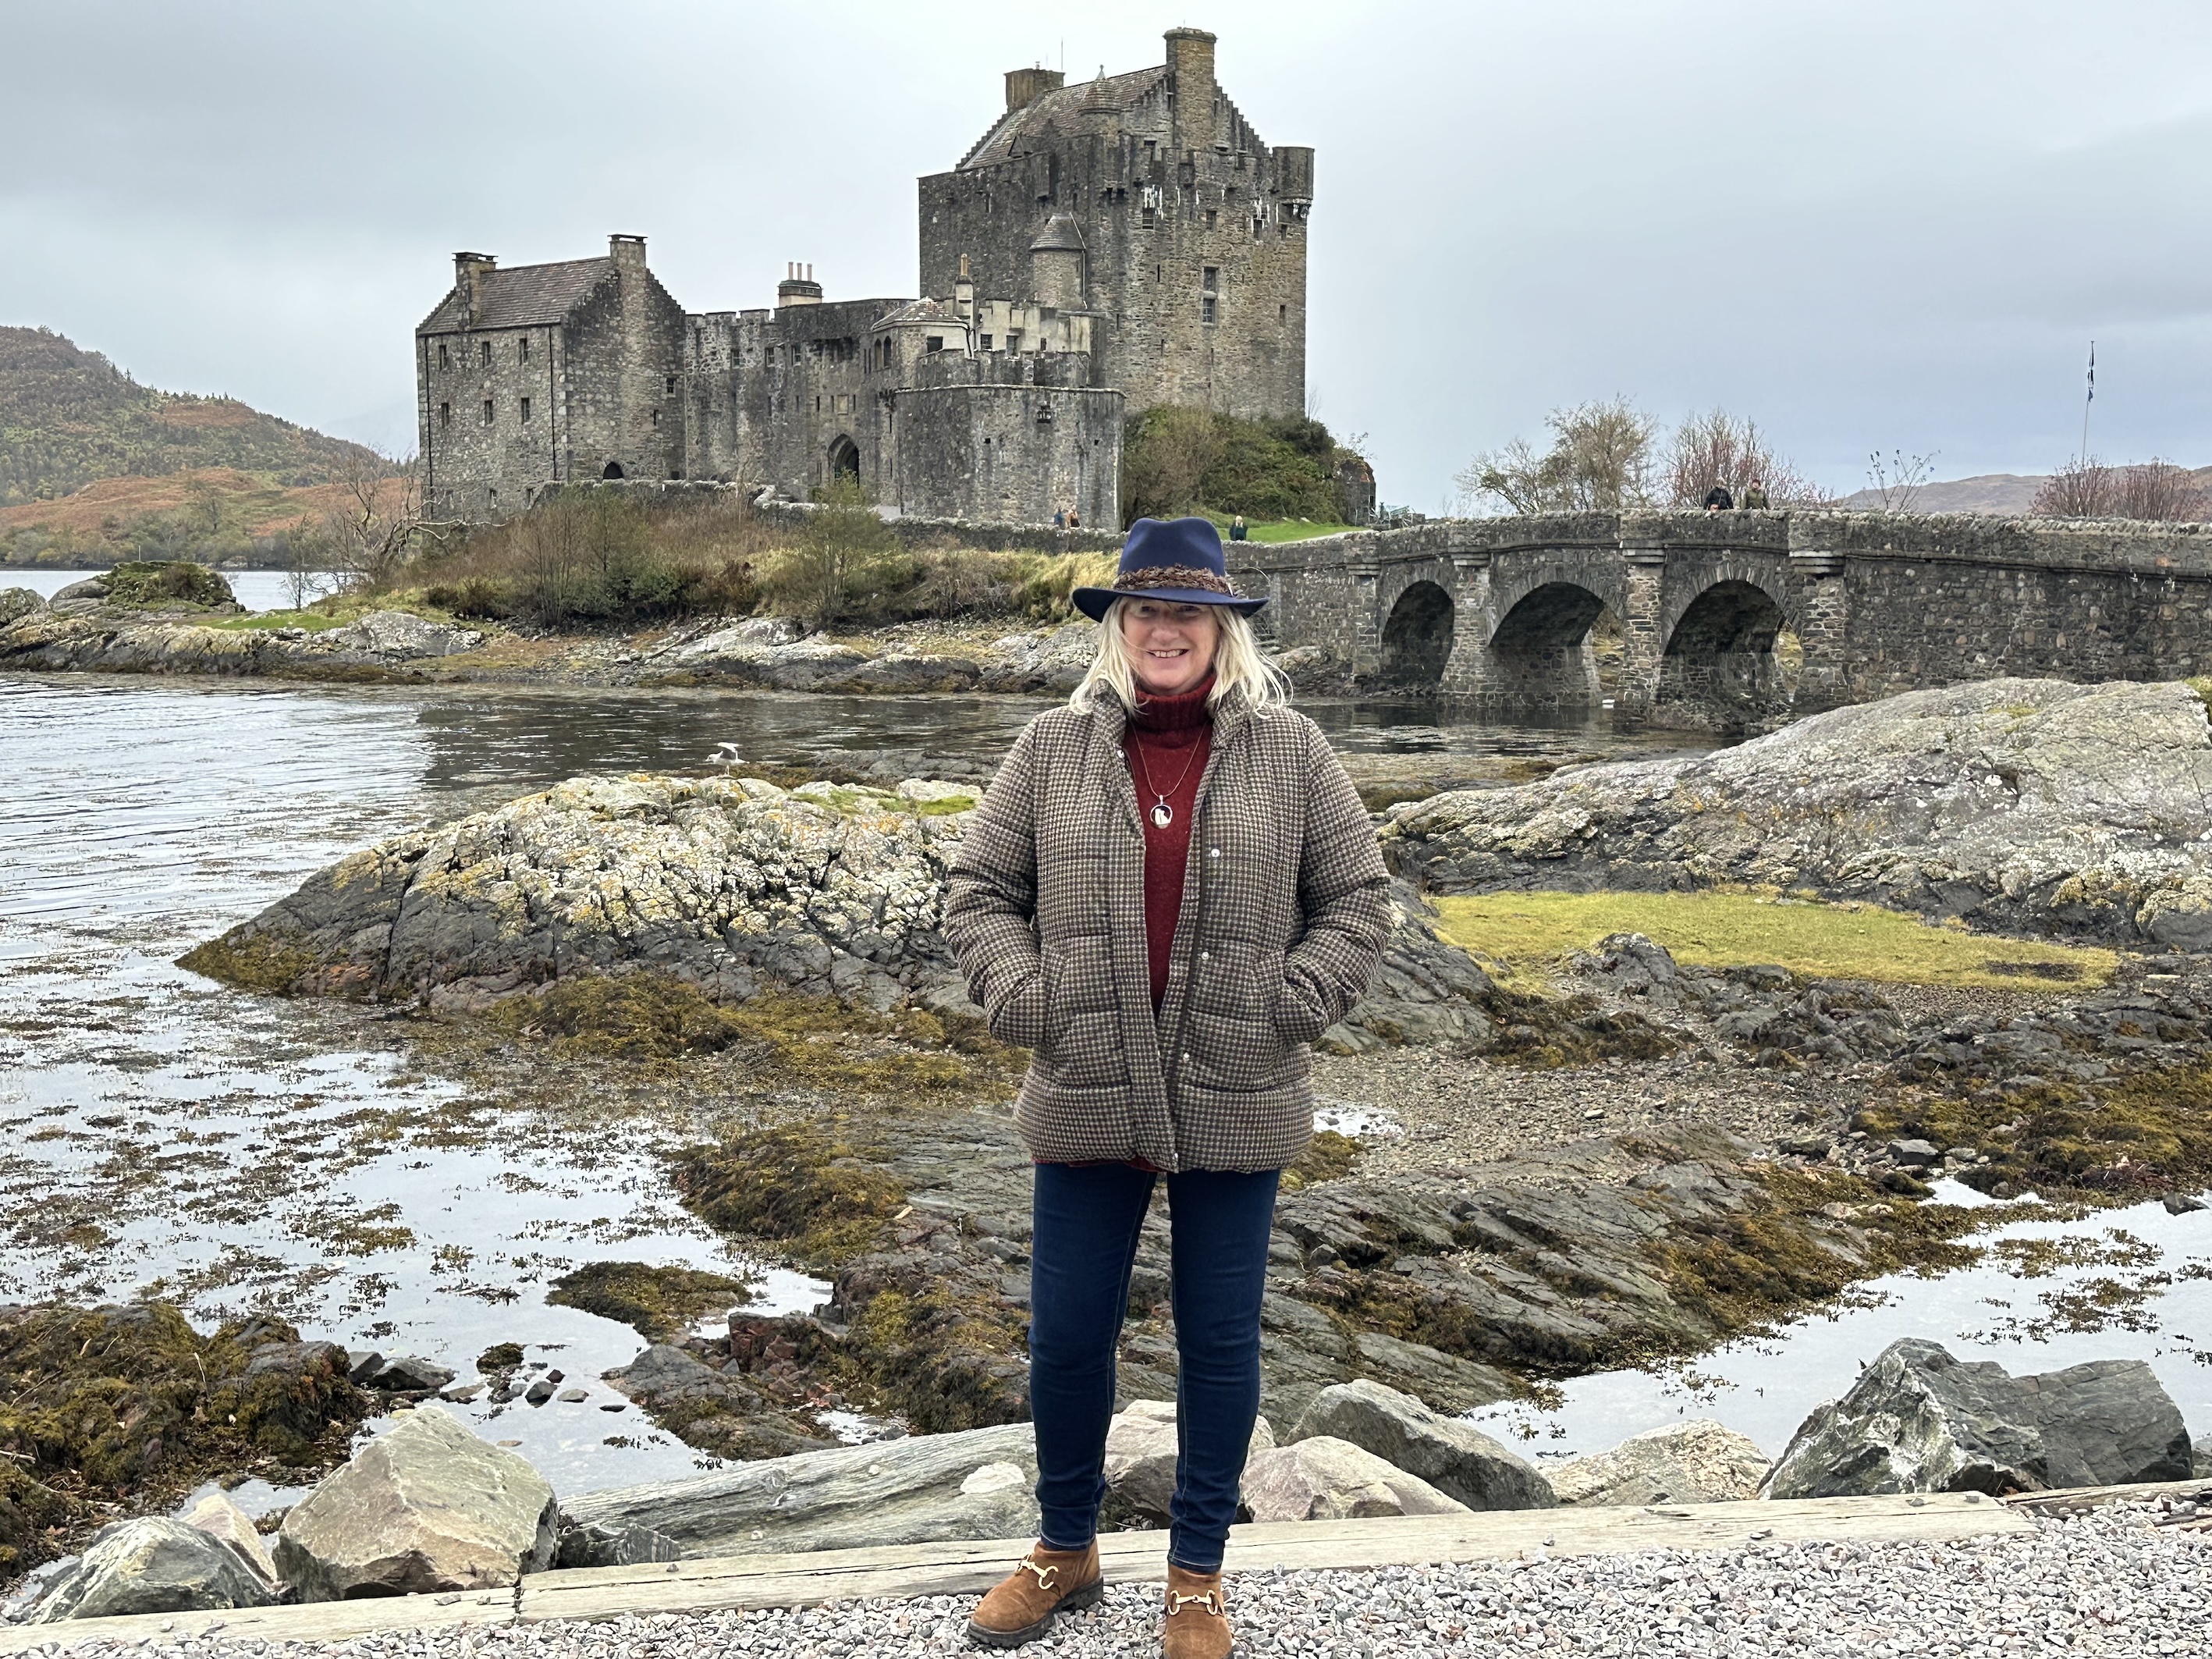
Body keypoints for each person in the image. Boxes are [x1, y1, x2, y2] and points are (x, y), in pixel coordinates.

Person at [944, 516, 1390, 1658]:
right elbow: (980, 890)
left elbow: (1358, 904)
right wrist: (1029, 1000)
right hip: (1084, 1085)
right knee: (1067, 1337)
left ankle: (1197, 1574)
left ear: (1225, 629)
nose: (1165, 630)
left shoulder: (1291, 753)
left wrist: (1285, 1004)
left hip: (1237, 1090)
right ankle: (1066, 1545)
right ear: (1117, 627)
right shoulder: (1050, 746)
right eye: (1145, 610)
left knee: (1222, 1341)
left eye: (1189, 612)